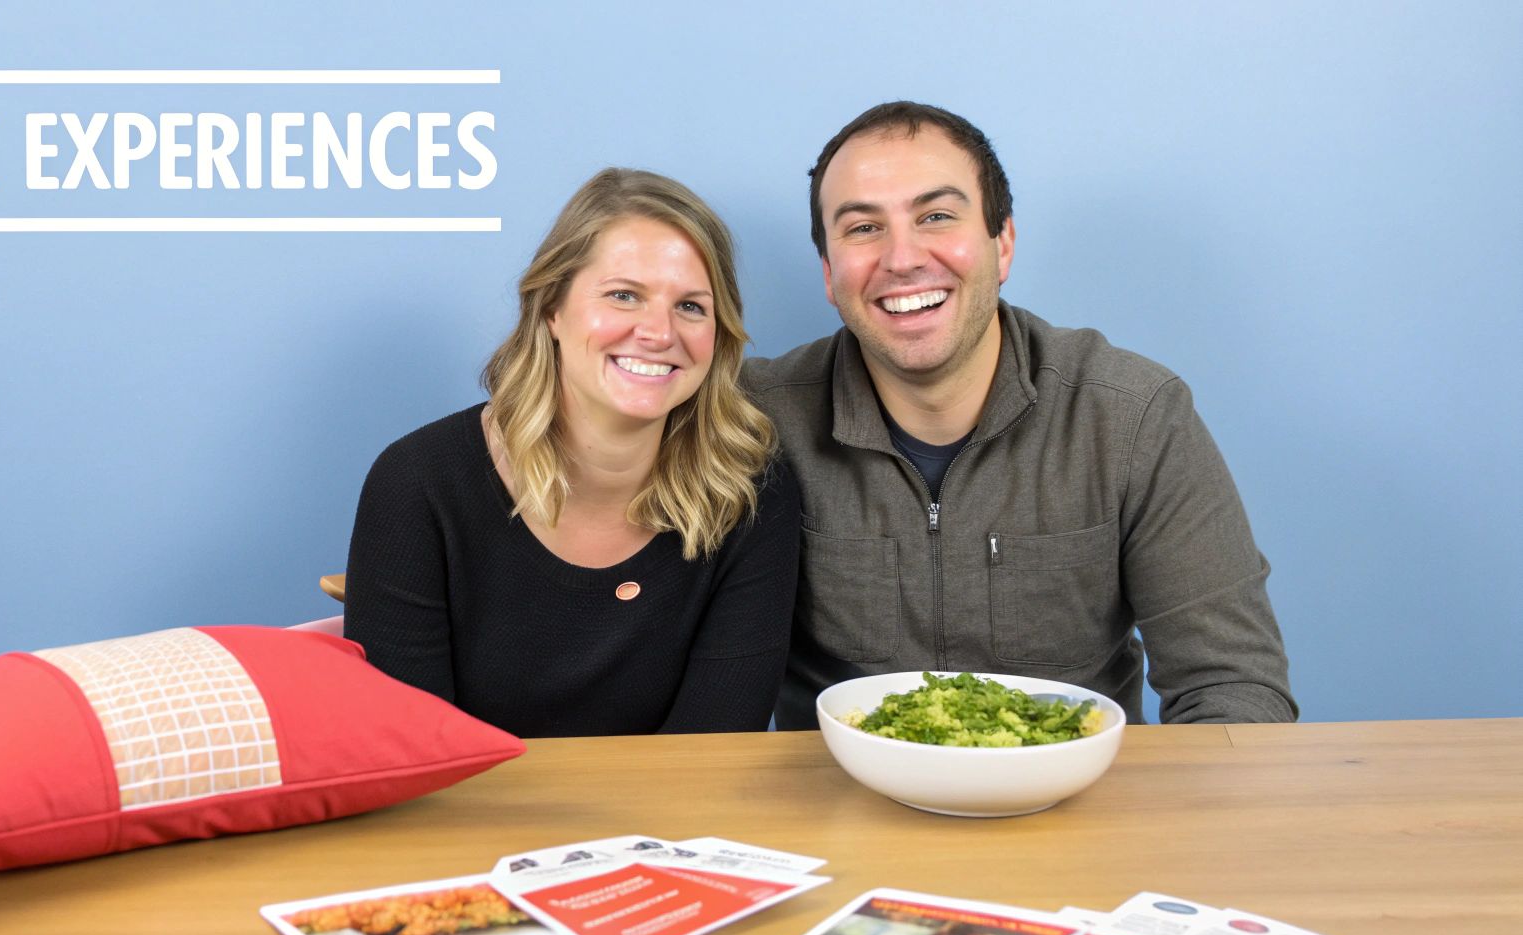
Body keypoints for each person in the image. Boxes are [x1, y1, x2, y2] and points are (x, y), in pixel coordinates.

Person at [743, 102, 1294, 728]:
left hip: (1082, 810)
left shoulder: (1133, 417)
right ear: (828, 272)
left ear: (1001, 244)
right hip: (836, 812)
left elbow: (1232, 684)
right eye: (863, 229)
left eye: (937, 216)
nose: (901, 258)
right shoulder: (753, 422)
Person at [344, 168, 801, 736]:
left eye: (690, 306)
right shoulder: (419, 483)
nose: (659, 332)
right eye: (623, 295)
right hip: (461, 824)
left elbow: (709, 757)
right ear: (552, 309)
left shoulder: (749, 492)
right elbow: (411, 751)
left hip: (669, 824)